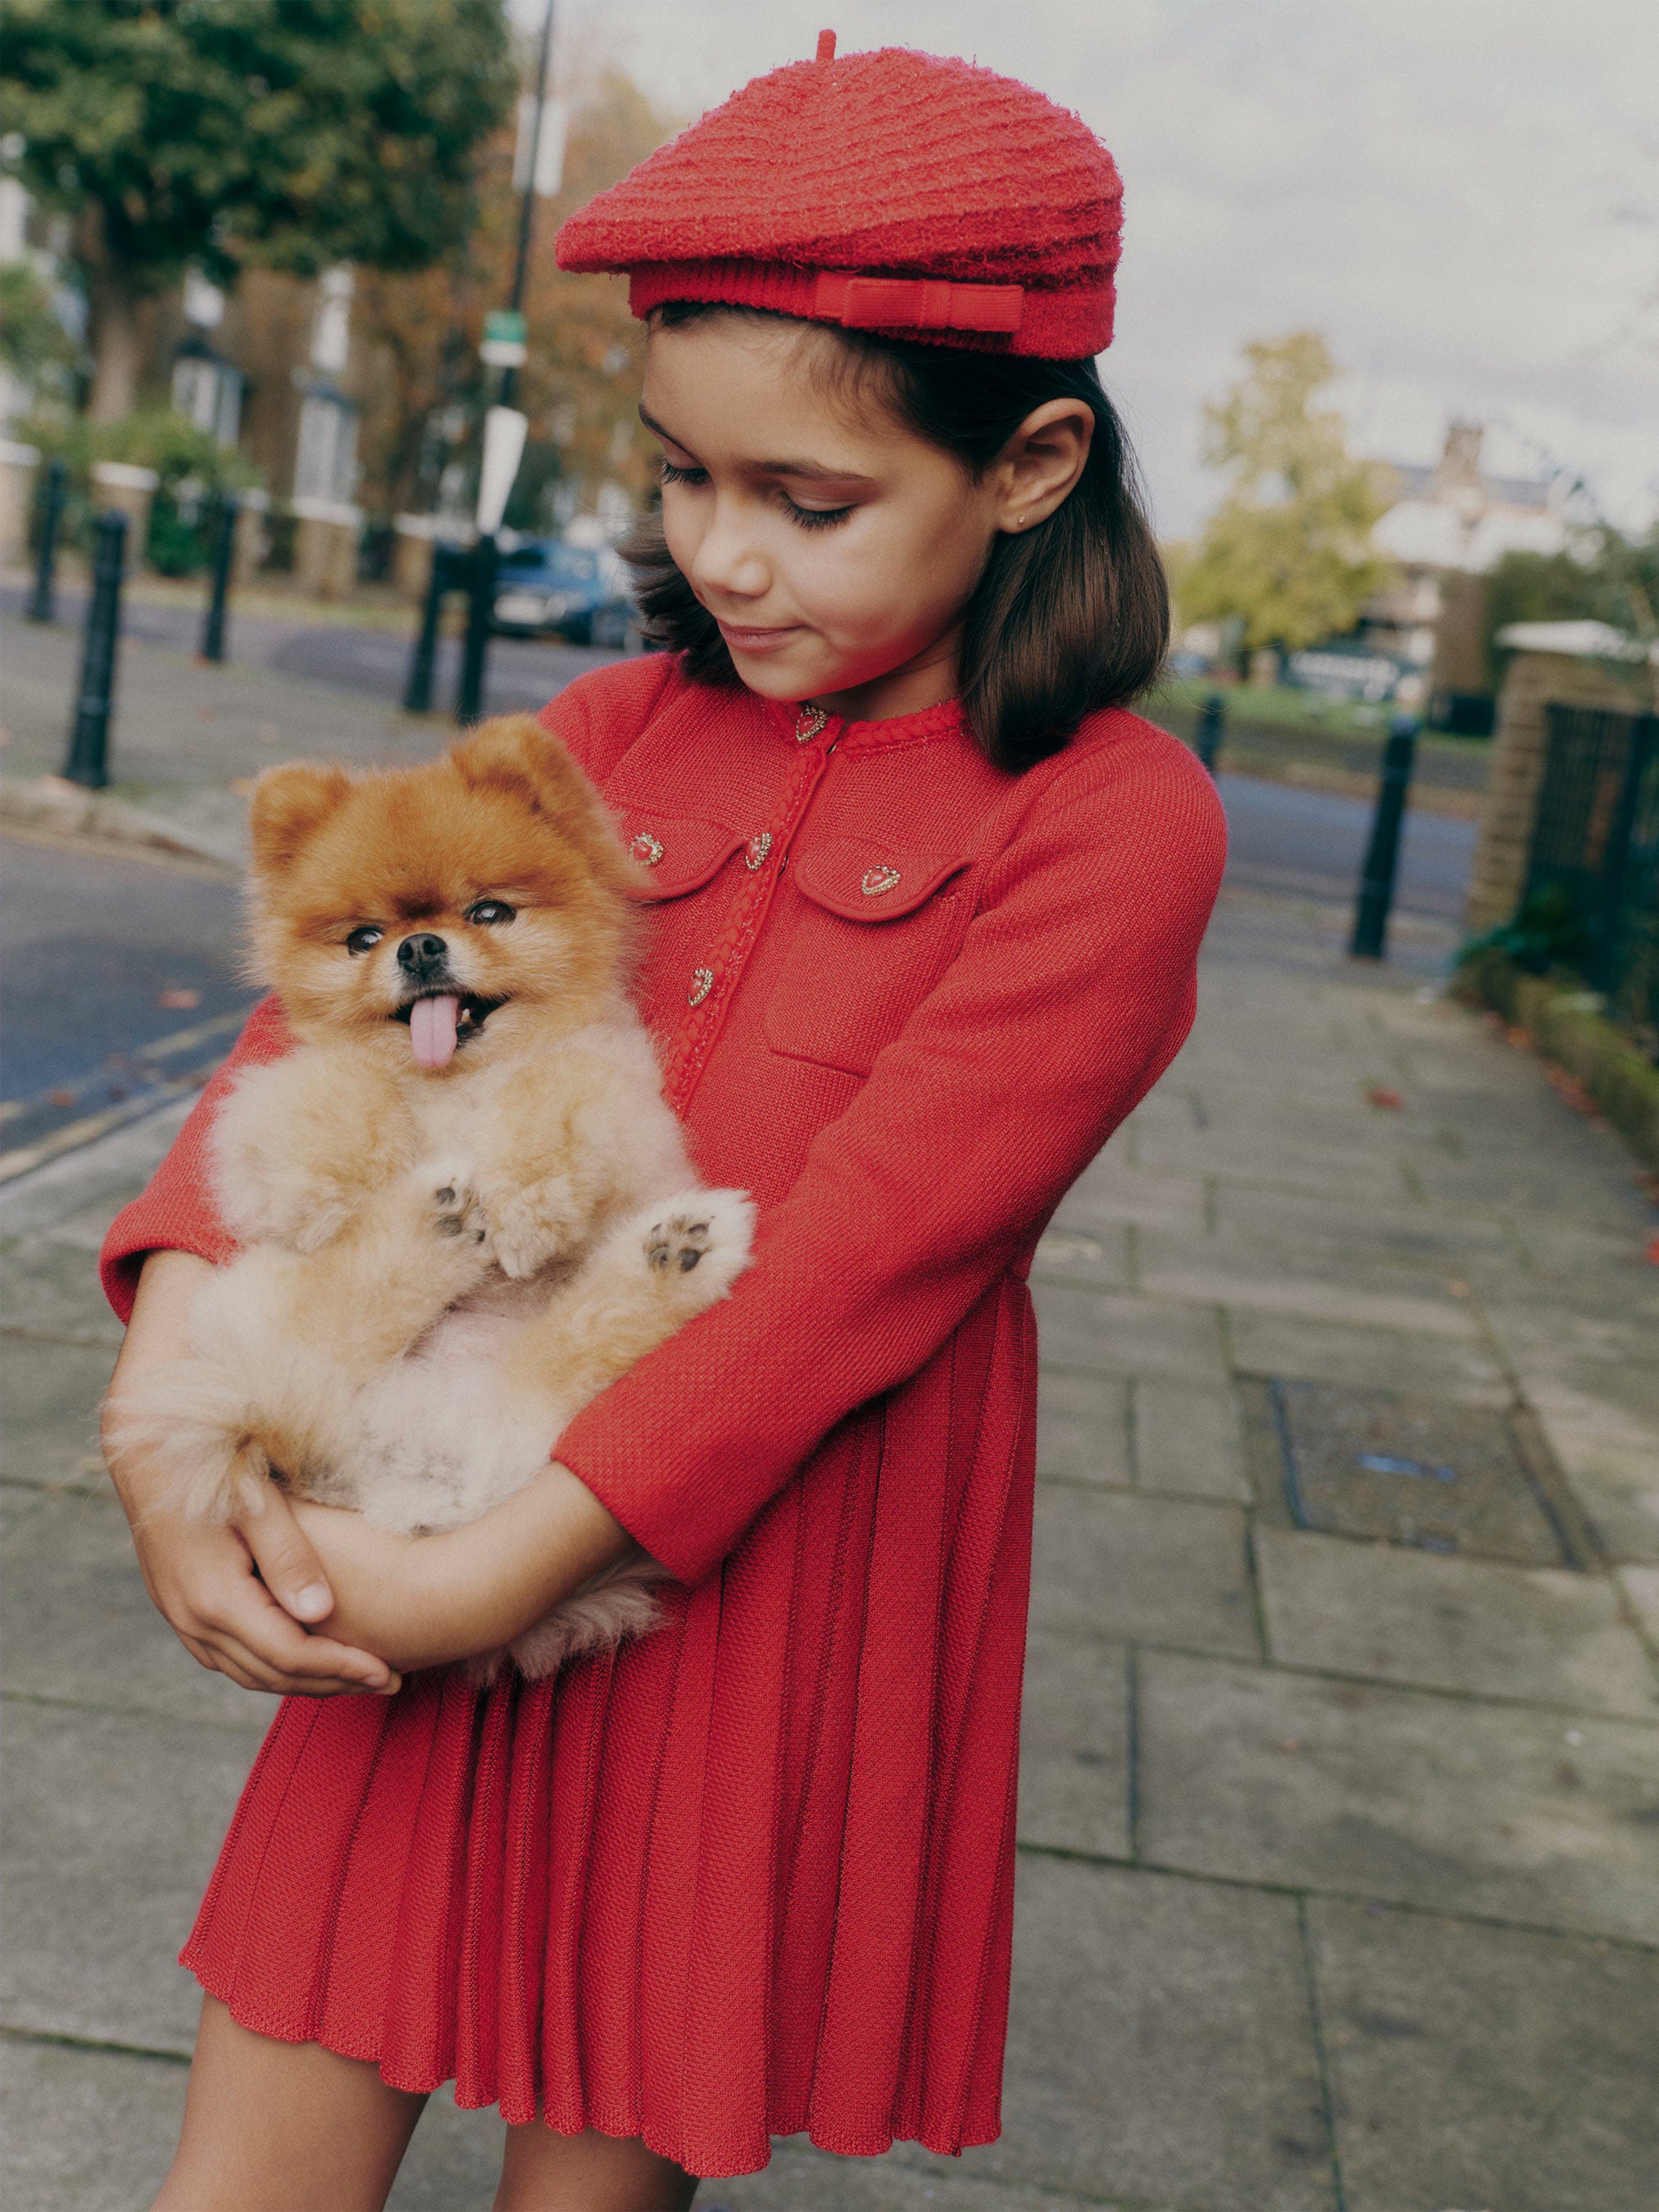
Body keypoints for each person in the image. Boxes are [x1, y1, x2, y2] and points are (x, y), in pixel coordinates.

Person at [98, 34, 1225, 2212]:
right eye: (681, 478)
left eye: (808, 501)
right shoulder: (609, 725)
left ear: (1033, 458)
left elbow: (860, 1270)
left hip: (746, 1559)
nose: (725, 552)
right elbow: (319, 1027)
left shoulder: (1115, 826)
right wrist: (173, 1411)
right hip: (445, 1469)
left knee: (597, 2152)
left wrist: (477, 1583)